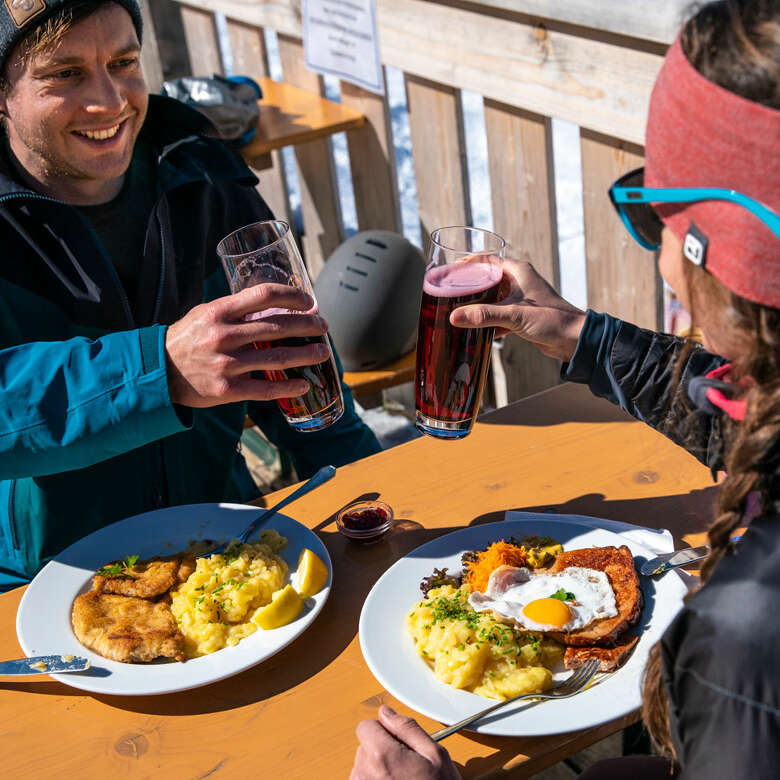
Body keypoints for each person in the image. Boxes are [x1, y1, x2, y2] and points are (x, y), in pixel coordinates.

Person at [351, 1, 779, 777]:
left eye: (659, 216)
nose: (660, 264)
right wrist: (585, 338)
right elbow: (749, 423)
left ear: (727, 250)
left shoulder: (750, 639)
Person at [0, 0, 380, 591]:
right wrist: (159, 372)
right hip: (42, 581)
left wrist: (371, 495)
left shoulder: (201, 174)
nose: (108, 101)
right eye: (64, 74)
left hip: (220, 549)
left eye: (124, 62)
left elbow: (293, 363)